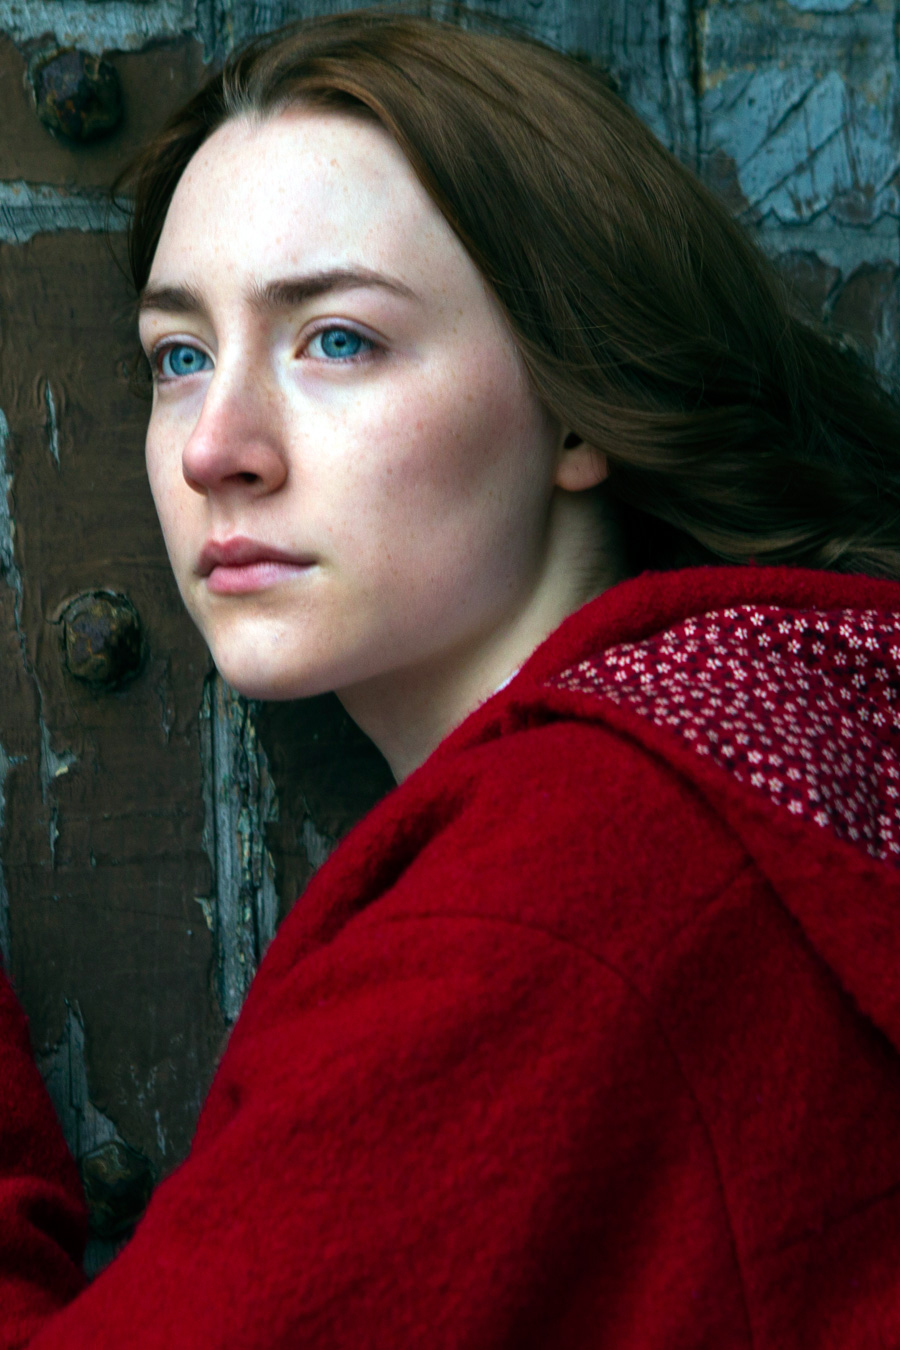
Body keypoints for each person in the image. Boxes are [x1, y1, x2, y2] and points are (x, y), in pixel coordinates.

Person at [3, 9, 900, 1346]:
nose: (213, 448)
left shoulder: (562, 887)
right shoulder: (759, 738)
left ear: (578, 399)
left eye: (337, 340)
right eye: (180, 358)